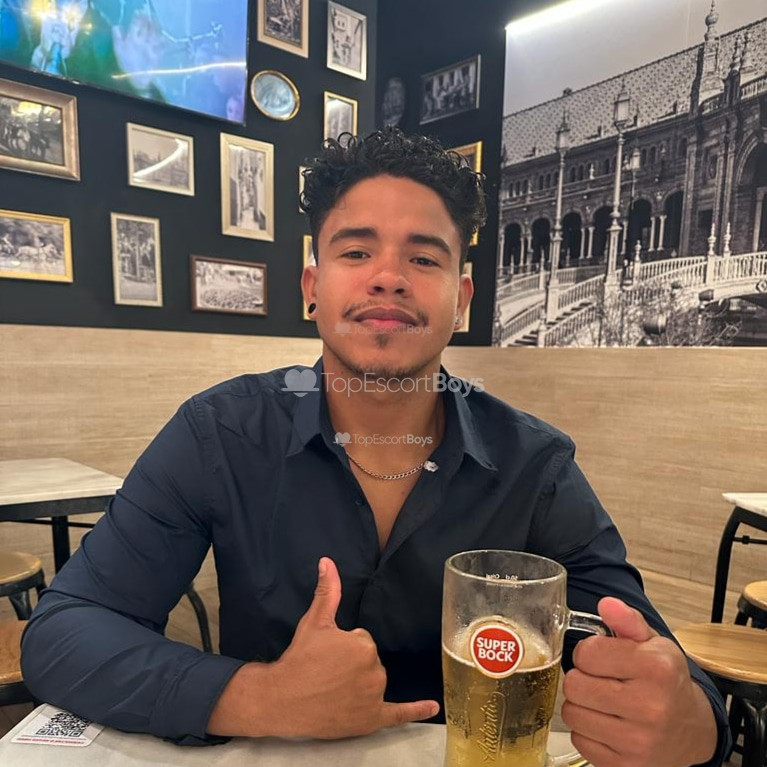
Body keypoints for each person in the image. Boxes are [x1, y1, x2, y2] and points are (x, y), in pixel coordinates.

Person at [22, 128, 730, 766]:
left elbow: (659, 666)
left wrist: (688, 725)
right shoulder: (220, 433)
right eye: (356, 251)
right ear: (313, 287)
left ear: (461, 298)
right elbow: (62, 632)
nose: (387, 276)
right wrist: (261, 696)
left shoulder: (534, 466)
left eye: (422, 257)